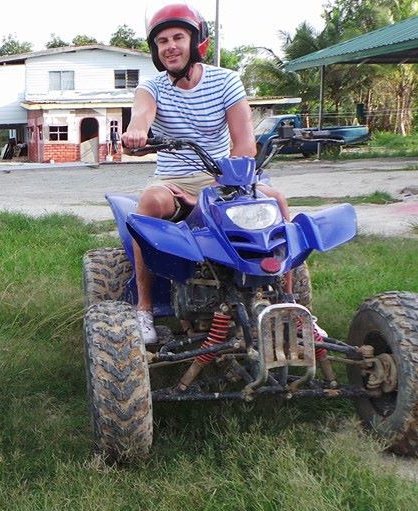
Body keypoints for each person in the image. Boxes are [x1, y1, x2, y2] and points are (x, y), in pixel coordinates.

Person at [121, 3, 292, 344]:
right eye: (162, 41)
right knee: (149, 202)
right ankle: (143, 308)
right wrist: (136, 131)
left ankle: (290, 304)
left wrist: (213, 190)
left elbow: (244, 146)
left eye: (178, 37)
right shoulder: (151, 87)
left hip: (223, 177)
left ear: (196, 41)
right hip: (174, 179)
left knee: (277, 202)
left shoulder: (225, 80)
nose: (170, 46)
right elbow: (141, 115)